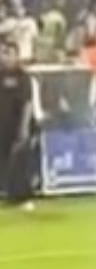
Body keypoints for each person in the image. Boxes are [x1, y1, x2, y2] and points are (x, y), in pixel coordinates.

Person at [0, 41, 34, 210]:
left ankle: (23, 197)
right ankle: (6, 194)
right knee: (3, 161)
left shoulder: (23, 77)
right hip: (1, 125)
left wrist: (24, 126)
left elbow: (27, 103)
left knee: (20, 162)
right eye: (4, 53)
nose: (5, 57)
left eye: (9, 53)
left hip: (17, 124)